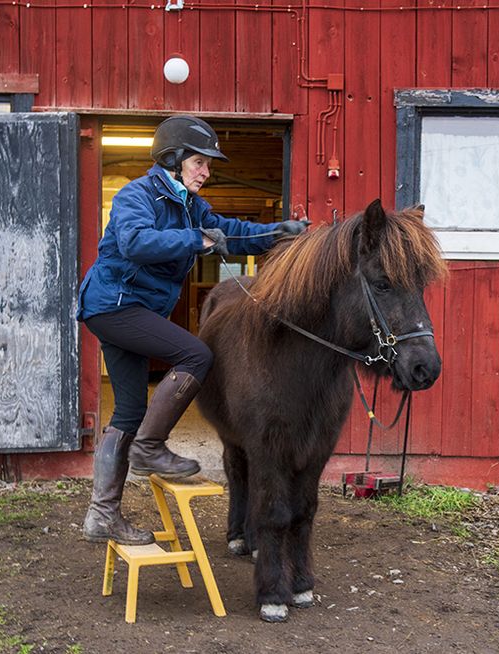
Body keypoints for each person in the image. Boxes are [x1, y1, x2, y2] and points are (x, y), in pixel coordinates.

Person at [77, 115, 308, 545]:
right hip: (115, 303)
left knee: (127, 412)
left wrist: (279, 232)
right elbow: (135, 243)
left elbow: (232, 233)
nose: (206, 172)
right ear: (174, 159)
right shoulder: (137, 195)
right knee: (196, 353)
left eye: (207, 165)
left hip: (126, 308)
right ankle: (151, 447)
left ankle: (101, 515)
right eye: (199, 163)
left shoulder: (190, 206)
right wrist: (197, 240)